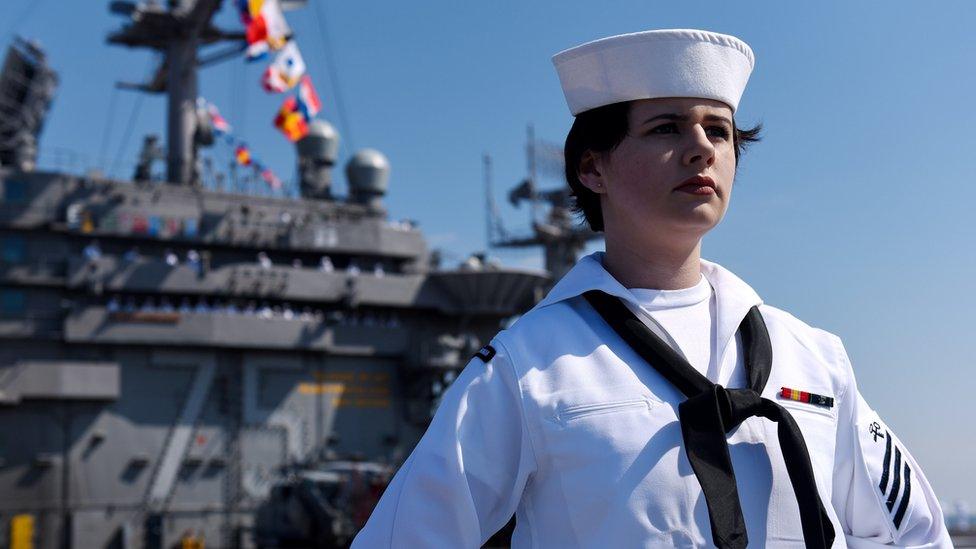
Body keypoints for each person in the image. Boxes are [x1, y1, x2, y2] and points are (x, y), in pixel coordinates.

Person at [352, 29, 951, 548]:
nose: (701, 149)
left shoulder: (815, 358)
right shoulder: (523, 370)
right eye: (668, 128)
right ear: (592, 169)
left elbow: (912, 534)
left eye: (719, 131)